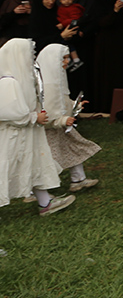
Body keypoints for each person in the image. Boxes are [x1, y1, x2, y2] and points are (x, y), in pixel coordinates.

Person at [0, 39, 74, 214]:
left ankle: (45, 202)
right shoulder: (8, 82)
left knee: (34, 165)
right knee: (7, 169)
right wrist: (34, 117)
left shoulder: (22, 80)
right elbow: (9, 113)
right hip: (13, 136)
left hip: (28, 133)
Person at [36, 43, 102, 193]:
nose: (67, 61)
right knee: (49, 158)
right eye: (63, 58)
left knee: (72, 149)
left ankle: (78, 179)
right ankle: (37, 190)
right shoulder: (47, 83)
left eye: (67, 58)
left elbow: (62, 101)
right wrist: (61, 120)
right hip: (50, 130)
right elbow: (47, 111)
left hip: (61, 127)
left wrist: (74, 106)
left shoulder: (57, 78)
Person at [54, 0, 86, 71]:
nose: (67, 1)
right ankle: (73, 60)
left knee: (66, 43)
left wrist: (62, 24)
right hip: (65, 28)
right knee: (66, 44)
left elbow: (74, 18)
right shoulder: (61, 8)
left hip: (71, 28)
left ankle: (73, 60)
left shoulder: (74, 8)